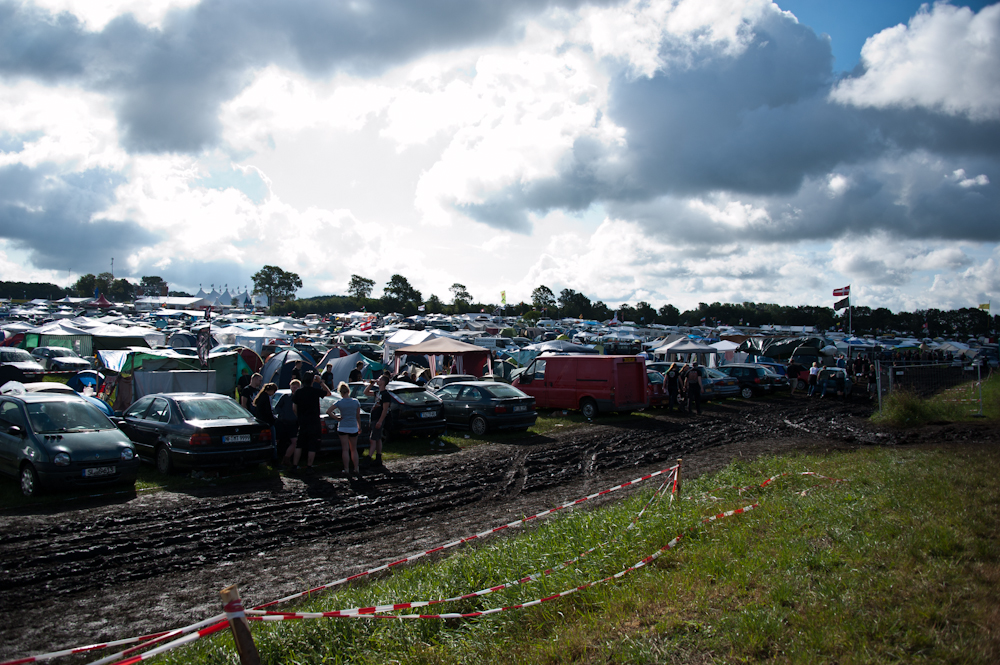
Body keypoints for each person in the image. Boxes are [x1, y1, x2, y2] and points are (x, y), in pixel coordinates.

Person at [291, 371, 331, 473]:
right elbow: (328, 393)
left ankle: (295, 466)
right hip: (314, 422)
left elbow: (294, 408)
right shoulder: (315, 391)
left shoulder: (298, 392)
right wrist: (321, 382)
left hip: (302, 422)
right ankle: (309, 466)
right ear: (312, 380)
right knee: (312, 445)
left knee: (299, 445)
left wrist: (299, 417)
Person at [327, 382, 361, 478]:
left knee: (345, 449)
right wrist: (359, 426)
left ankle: (346, 469)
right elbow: (358, 416)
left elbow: (328, 411)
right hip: (353, 426)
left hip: (343, 426)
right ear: (348, 391)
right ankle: (356, 468)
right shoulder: (355, 402)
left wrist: (336, 418)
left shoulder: (339, 402)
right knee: (354, 449)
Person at [364, 374, 391, 467]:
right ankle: (378, 458)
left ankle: (368, 458)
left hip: (378, 418)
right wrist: (371, 384)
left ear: (383, 382)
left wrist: (380, 421)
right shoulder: (378, 392)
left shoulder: (385, 395)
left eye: (379, 379)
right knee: (378, 438)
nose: (377, 380)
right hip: (374, 417)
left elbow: (385, 409)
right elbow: (366, 392)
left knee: (372, 439)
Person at [277, 379, 301, 467]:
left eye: (295, 387)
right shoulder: (285, 397)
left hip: (293, 423)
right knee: (277, 441)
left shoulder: (300, 399)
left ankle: (286, 459)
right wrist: (282, 414)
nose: (293, 389)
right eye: (292, 387)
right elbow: (277, 407)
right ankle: (273, 458)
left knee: (294, 442)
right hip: (283, 422)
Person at [253, 383, 278, 460]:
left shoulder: (261, 397)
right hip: (268, 422)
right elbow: (268, 412)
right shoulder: (266, 398)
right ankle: (274, 459)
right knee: (273, 442)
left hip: (261, 422)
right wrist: (274, 419)